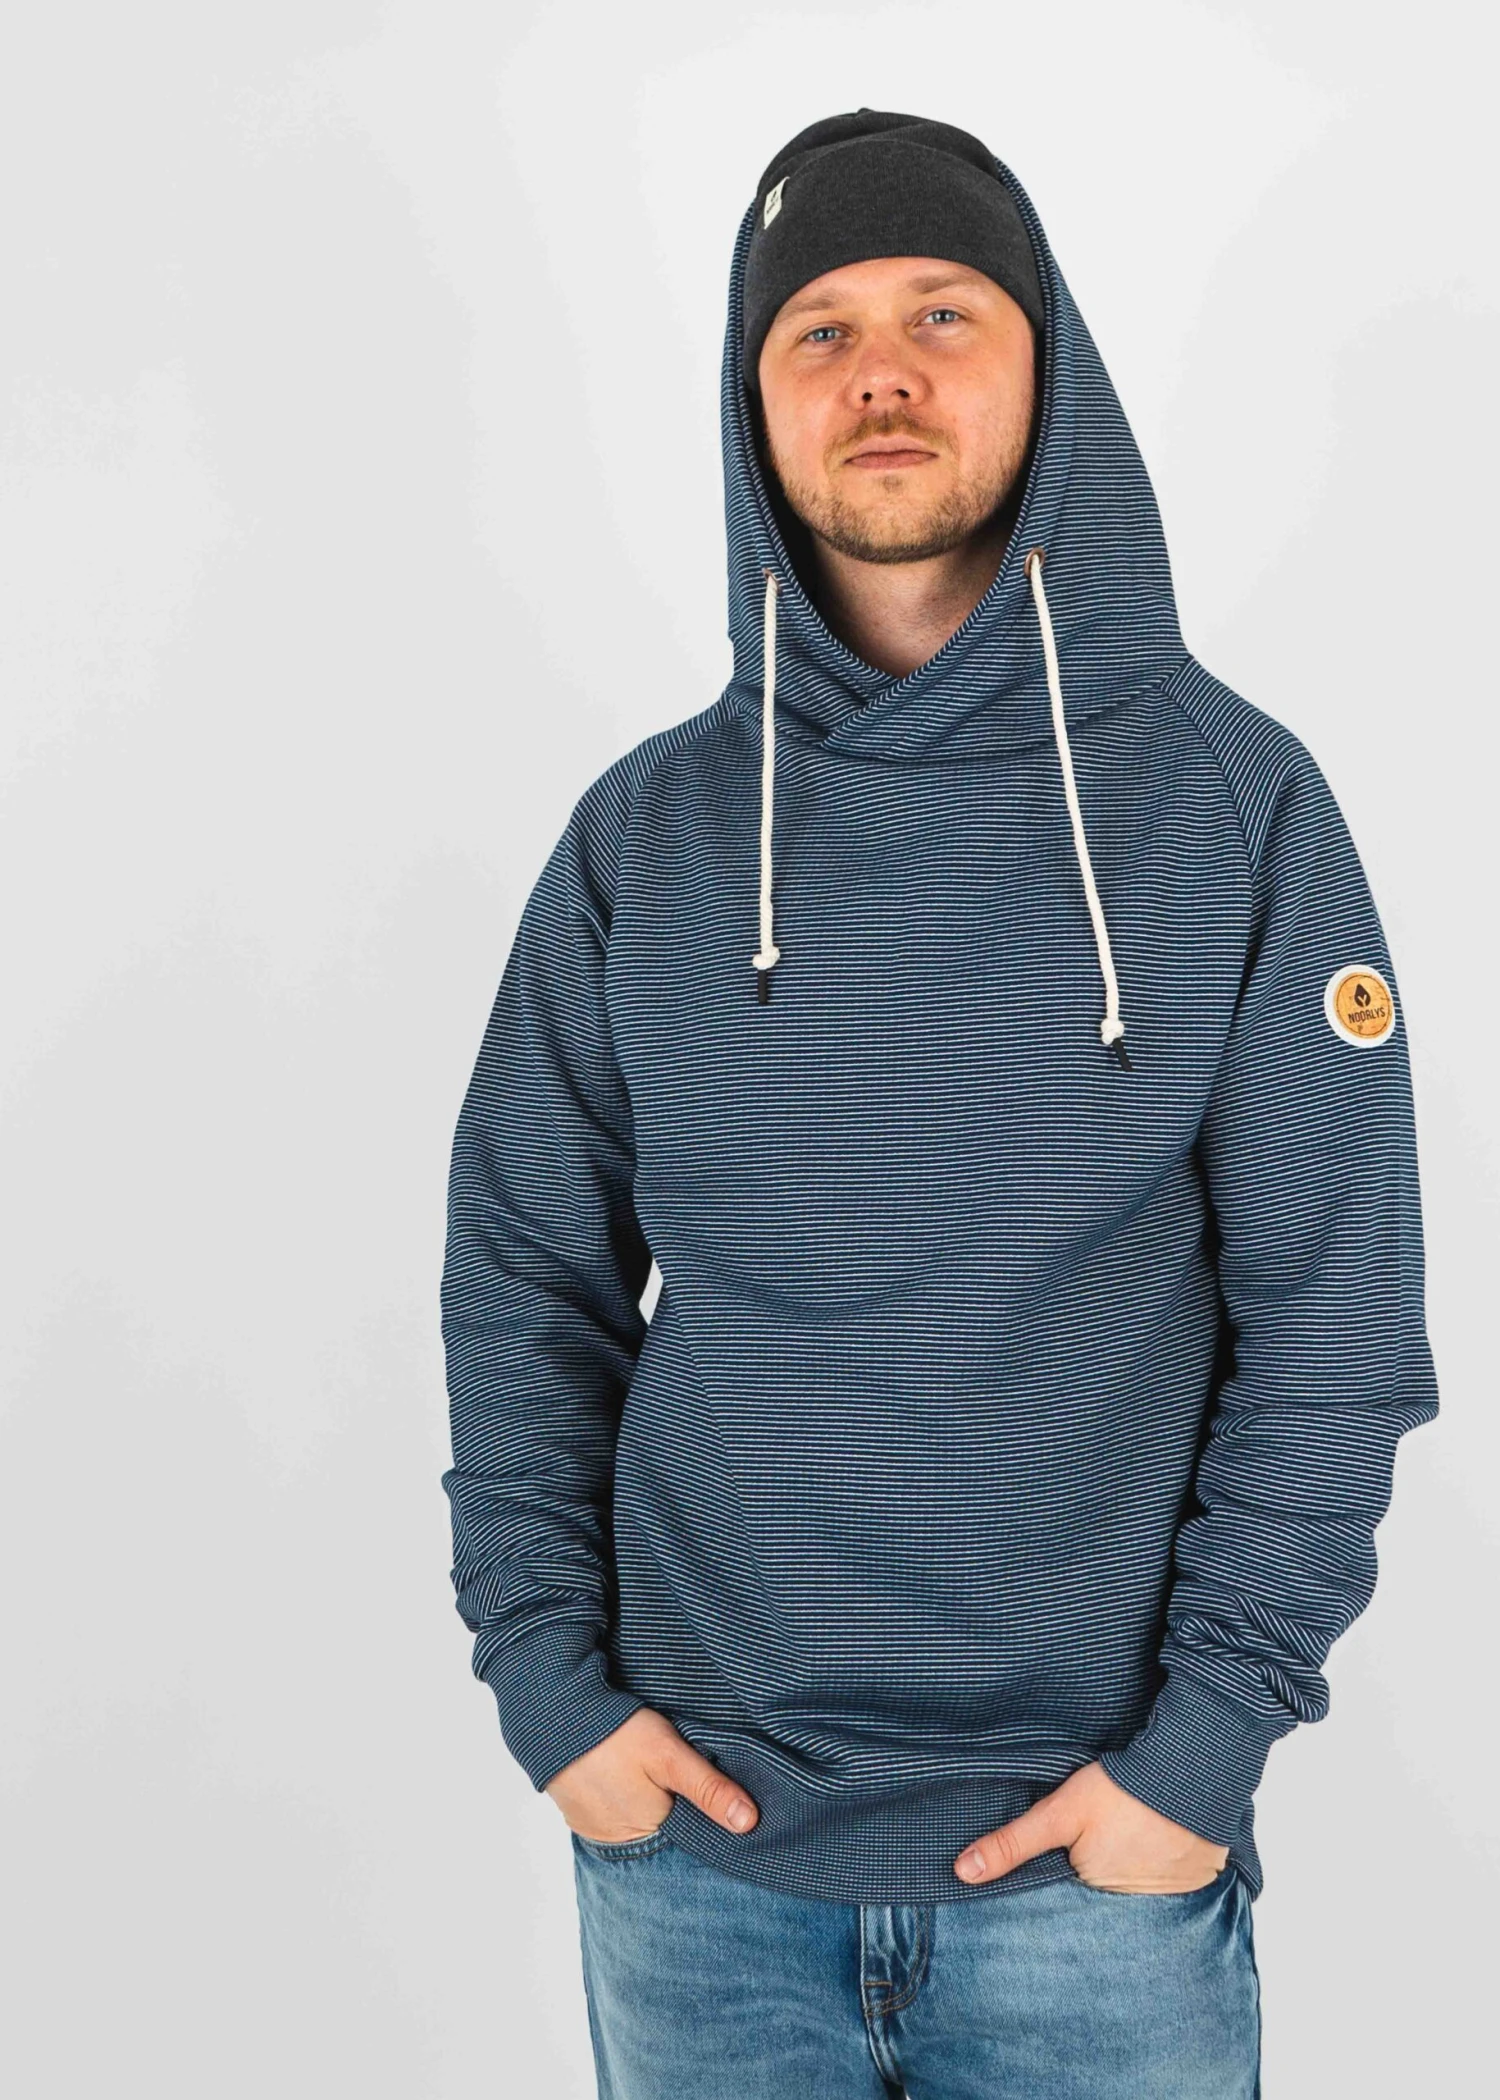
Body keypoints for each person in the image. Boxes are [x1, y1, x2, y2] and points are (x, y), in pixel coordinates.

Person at [439, 108, 1440, 2098]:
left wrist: (1200, 1757)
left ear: (1049, 372)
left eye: (941, 313)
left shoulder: (1236, 808)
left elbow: (1335, 1328)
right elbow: (523, 1277)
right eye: (816, 330)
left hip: (1099, 1882)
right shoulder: (647, 838)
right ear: (756, 410)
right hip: (699, 1873)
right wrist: (551, 1691)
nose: (879, 372)